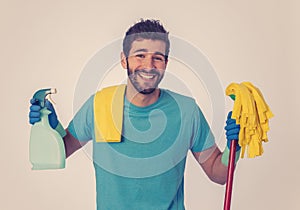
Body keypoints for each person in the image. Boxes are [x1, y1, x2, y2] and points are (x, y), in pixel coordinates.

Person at [29, 19, 240, 210]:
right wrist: (49, 126)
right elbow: (62, 151)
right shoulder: (99, 105)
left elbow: (218, 173)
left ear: (166, 63)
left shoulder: (187, 111)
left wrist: (233, 147)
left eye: (157, 58)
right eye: (140, 56)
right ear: (124, 60)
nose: (148, 66)